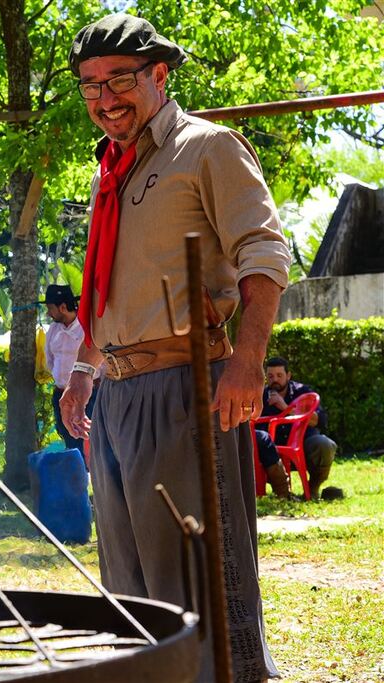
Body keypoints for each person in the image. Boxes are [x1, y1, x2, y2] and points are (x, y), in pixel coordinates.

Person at [58, 14, 291, 681]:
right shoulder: (112, 169)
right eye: (90, 86)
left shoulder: (208, 148)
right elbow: (110, 287)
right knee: (130, 583)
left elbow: (265, 254)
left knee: (201, 577)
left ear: (160, 75)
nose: (104, 99)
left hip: (190, 387)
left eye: (119, 80)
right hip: (118, 396)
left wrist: (247, 362)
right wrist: (83, 370)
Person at [255, 357, 338, 500]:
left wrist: (286, 408)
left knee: (325, 445)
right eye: (270, 376)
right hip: (271, 452)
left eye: (279, 375)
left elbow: (319, 420)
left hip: (303, 445)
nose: (275, 379)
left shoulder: (302, 392)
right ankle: (279, 493)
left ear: (288, 375)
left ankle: (313, 489)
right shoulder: (259, 396)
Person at [42, 284, 98, 456]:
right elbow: (49, 358)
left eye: (50, 308)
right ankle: (79, 476)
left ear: (63, 307)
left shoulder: (86, 326)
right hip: (61, 394)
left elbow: (100, 360)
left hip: (88, 394)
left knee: (91, 439)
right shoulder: (53, 330)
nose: (48, 313)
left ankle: (93, 476)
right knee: (69, 437)